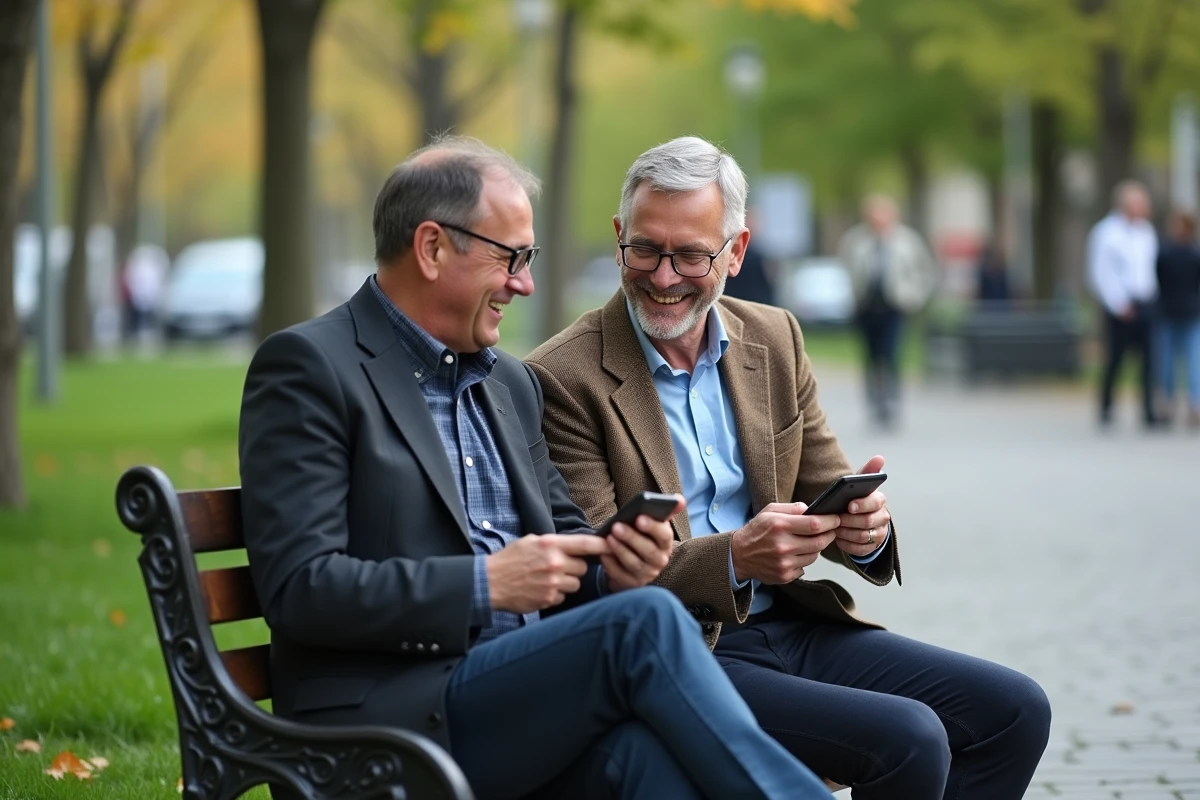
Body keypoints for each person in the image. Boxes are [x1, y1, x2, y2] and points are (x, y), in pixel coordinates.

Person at [237, 136, 832, 800]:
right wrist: (484, 584)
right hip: (387, 718)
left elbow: (578, 552)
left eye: (529, 260)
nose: (523, 283)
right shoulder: (310, 369)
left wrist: (617, 568)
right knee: (645, 626)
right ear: (432, 248)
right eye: (511, 257)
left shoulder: (510, 386)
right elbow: (301, 590)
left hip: (521, 699)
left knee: (646, 763)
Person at [527, 136, 1052, 800]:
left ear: (737, 251)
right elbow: (603, 566)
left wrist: (867, 531)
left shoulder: (774, 337)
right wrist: (736, 559)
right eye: (645, 249)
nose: (663, 277)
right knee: (910, 737)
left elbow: (828, 491)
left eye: (690, 254)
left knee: (1016, 711)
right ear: (618, 238)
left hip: (796, 625)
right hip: (683, 651)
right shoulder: (560, 376)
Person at [837, 193, 939, 426]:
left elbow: (926, 272)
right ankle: (874, 400)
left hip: (894, 308)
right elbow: (847, 268)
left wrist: (913, 297)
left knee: (891, 354)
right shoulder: (856, 240)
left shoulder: (907, 241)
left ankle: (892, 400)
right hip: (866, 308)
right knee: (871, 355)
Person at [1087, 180, 1159, 428]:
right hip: (1121, 305)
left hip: (1146, 302)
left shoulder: (1146, 231)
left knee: (1150, 361)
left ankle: (1148, 409)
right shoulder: (1106, 232)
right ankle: (1106, 407)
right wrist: (1117, 304)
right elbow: (1101, 272)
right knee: (1115, 359)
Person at [1154, 209, 1200, 428]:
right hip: (1168, 314)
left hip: (1191, 314)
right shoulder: (1164, 253)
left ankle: (1195, 404)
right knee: (1167, 364)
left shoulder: (1193, 254)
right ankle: (1168, 403)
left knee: (1194, 362)